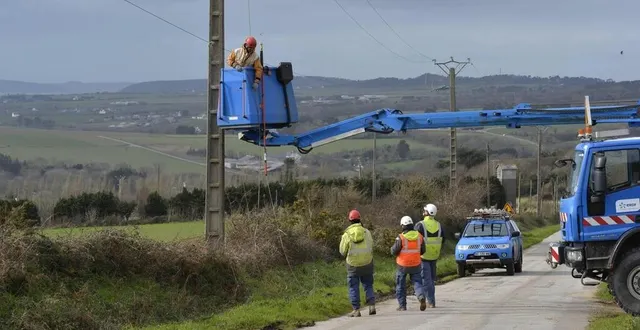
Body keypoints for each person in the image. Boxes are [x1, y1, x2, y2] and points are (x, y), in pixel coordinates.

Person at [339, 209, 376, 317]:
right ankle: (372, 306)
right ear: (359, 219)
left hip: (353, 265)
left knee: (353, 286)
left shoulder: (346, 235)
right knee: (368, 285)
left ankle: (356, 310)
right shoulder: (367, 232)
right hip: (367, 263)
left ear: (349, 220)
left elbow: (342, 251)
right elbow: (371, 246)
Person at [390, 215, 427, 311]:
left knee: (400, 285)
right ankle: (421, 297)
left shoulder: (401, 237)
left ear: (403, 226)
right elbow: (423, 250)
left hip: (402, 265)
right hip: (416, 264)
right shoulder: (419, 236)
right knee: (417, 283)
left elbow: (394, 251)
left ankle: (402, 306)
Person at [414, 203, 444, 308]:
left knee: (426, 280)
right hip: (434, 256)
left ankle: (431, 302)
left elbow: (414, 240)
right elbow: (443, 240)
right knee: (431, 280)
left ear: (427, 212)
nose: (423, 212)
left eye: (424, 210)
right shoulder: (439, 225)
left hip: (423, 256)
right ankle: (431, 300)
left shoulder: (420, 225)